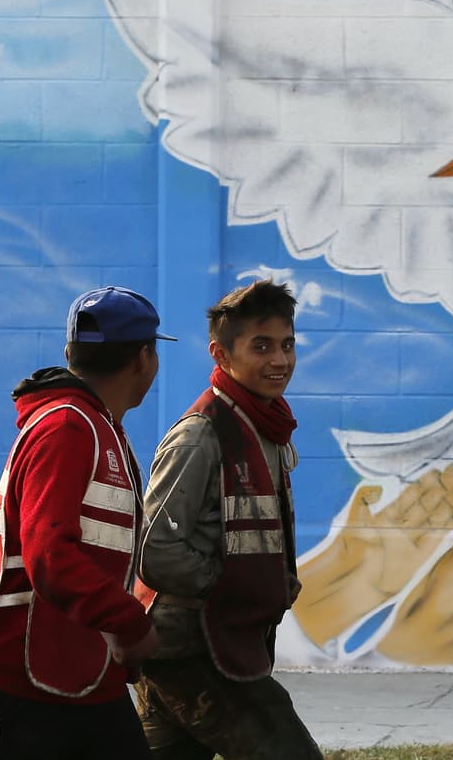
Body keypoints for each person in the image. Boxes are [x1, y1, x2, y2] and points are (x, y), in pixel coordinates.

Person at [0, 286, 175, 759]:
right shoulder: (68, 427)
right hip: (25, 686)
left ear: (70, 353)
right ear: (144, 359)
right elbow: (50, 557)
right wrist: (130, 625)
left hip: (80, 676)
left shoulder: (95, 426)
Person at [134, 279, 324, 759]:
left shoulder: (265, 425)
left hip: (218, 638)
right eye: (261, 346)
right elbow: (155, 552)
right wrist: (239, 584)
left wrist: (275, 580)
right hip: (189, 647)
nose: (280, 360)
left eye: (287, 345)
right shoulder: (200, 435)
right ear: (220, 354)